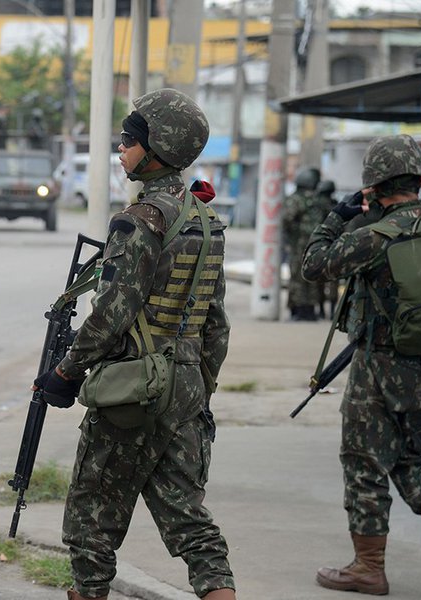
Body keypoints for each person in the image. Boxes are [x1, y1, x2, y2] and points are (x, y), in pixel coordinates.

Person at [33, 88, 236, 600]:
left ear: (157, 150)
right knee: (189, 520)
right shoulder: (206, 222)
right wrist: (197, 390)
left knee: (91, 523)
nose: (121, 149)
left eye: (129, 140)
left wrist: (66, 373)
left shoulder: (140, 221)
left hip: (132, 387)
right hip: (185, 385)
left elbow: (111, 314)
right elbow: (216, 324)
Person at [302, 134, 421, 597]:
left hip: (376, 369)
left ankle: (368, 566)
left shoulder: (372, 237)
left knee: (364, 462)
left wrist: (339, 216)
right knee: (414, 456)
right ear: (420, 182)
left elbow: (313, 265)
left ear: (374, 190)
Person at [282, 167, 323, 321]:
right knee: (311, 277)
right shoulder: (316, 199)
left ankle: (298, 311)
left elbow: (286, 219)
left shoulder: (295, 199)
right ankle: (310, 311)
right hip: (315, 244)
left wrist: (290, 234)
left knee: (296, 277)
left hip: (298, 244)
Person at [315, 179, 340, 318]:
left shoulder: (318, 205)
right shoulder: (335, 206)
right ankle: (331, 312)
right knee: (333, 280)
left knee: (320, 279)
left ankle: (321, 310)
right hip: (334, 244)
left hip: (322, 244)